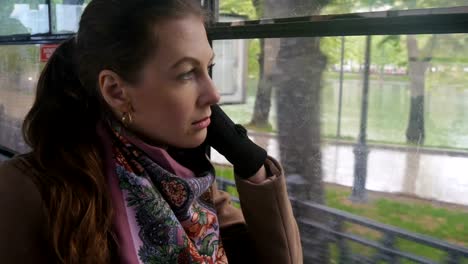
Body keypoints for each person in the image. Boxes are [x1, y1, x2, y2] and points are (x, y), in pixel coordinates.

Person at [0, 0, 302, 263]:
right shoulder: (29, 192)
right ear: (116, 91)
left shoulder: (187, 183)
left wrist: (247, 157)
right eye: (186, 73)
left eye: (208, 68)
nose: (214, 94)